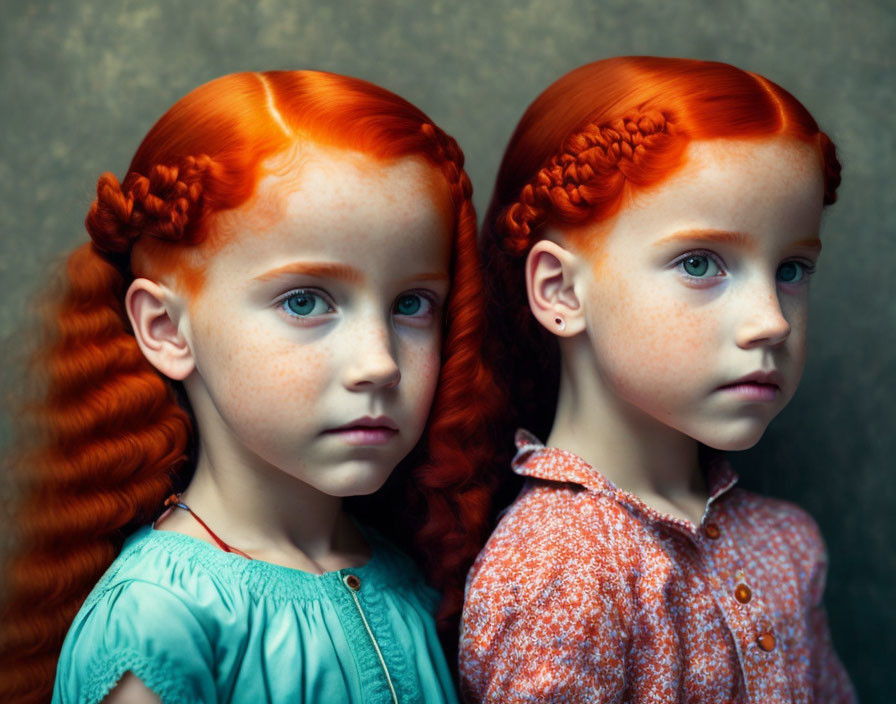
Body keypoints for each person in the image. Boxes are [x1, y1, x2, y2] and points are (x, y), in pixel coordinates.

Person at [0, 70, 497, 704]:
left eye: (412, 303)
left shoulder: (410, 579)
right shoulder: (160, 621)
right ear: (167, 329)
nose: (379, 363)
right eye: (304, 300)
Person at [460, 56, 856, 702]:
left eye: (791, 269)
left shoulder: (787, 547)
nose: (771, 323)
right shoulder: (563, 567)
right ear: (560, 290)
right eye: (701, 263)